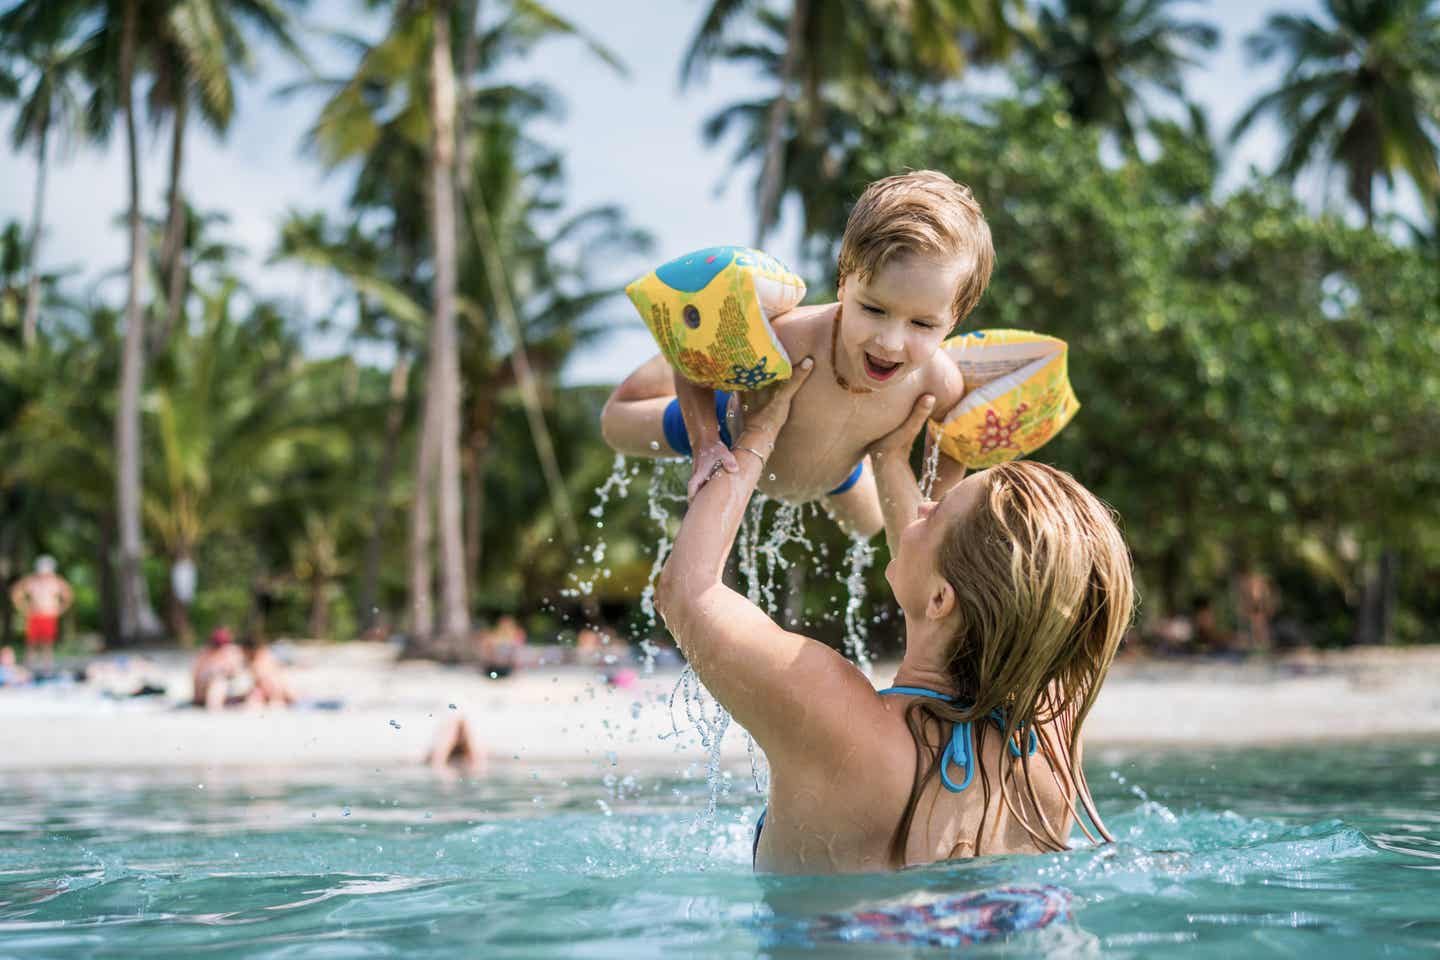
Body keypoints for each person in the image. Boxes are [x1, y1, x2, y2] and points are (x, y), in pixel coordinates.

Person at [654, 361, 1135, 873]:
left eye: (940, 509)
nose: (922, 510)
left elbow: (687, 591)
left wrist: (758, 432)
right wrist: (889, 461)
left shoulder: (835, 715)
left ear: (940, 601)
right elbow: (980, 589)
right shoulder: (1053, 736)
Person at [602, 171, 993, 536]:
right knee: (615, 425)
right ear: (844, 283)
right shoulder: (789, 339)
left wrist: (935, 507)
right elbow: (696, 364)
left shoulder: (940, 384)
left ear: (954, 318)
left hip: (837, 472)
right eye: (873, 310)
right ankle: (675, 350)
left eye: (922, 325)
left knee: (869, 526)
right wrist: (706, 442)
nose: (890, 342)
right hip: (730, 423)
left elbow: (951, 446)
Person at [9, 555, 74, 671]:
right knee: (31, 642)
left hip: (49, 615)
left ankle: (47, 667)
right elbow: (16, 592)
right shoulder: (32, 581)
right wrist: (24, 608)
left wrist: (59, 609)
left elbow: (68, 594)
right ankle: (29, 667)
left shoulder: (55, 581)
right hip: (35, 615)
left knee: (47, 643)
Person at [191, 627, 244, 710]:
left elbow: (238, 674)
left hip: (229, 691)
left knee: (219, 681)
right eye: (216, 645)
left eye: (221, 645)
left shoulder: (233, 653)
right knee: (217, 681)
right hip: (206, 691)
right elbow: (196, 677)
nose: (219, 648)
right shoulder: (204, 654)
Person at [241, 636, 296, 708]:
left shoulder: (258, 664)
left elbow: (268, 683)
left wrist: (274, 698)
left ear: (248, 650)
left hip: (277, 694)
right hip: (284, 691)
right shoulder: (268, 656)